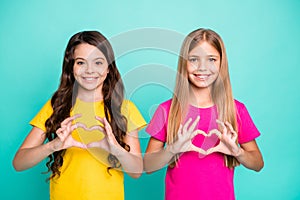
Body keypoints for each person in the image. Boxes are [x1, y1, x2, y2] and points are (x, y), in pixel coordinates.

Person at [13, 31, 146, 200]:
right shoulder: (56, 106)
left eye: (98, 62)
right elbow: (19, 162)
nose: (89, 70)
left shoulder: (124, 109)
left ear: (108, 68)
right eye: (81, 62)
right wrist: (53, 146)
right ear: (71, 67)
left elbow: (137, 171)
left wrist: (115, 150)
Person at [144, 28, 264, 200]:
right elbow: (148, 166)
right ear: (184, 63)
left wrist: (237, 152)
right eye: (194, 59)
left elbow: (258, 163)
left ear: (221, 63)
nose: (202, 68)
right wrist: (172, 149)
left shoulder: (236, 110)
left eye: (212, 59)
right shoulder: (167, 110)